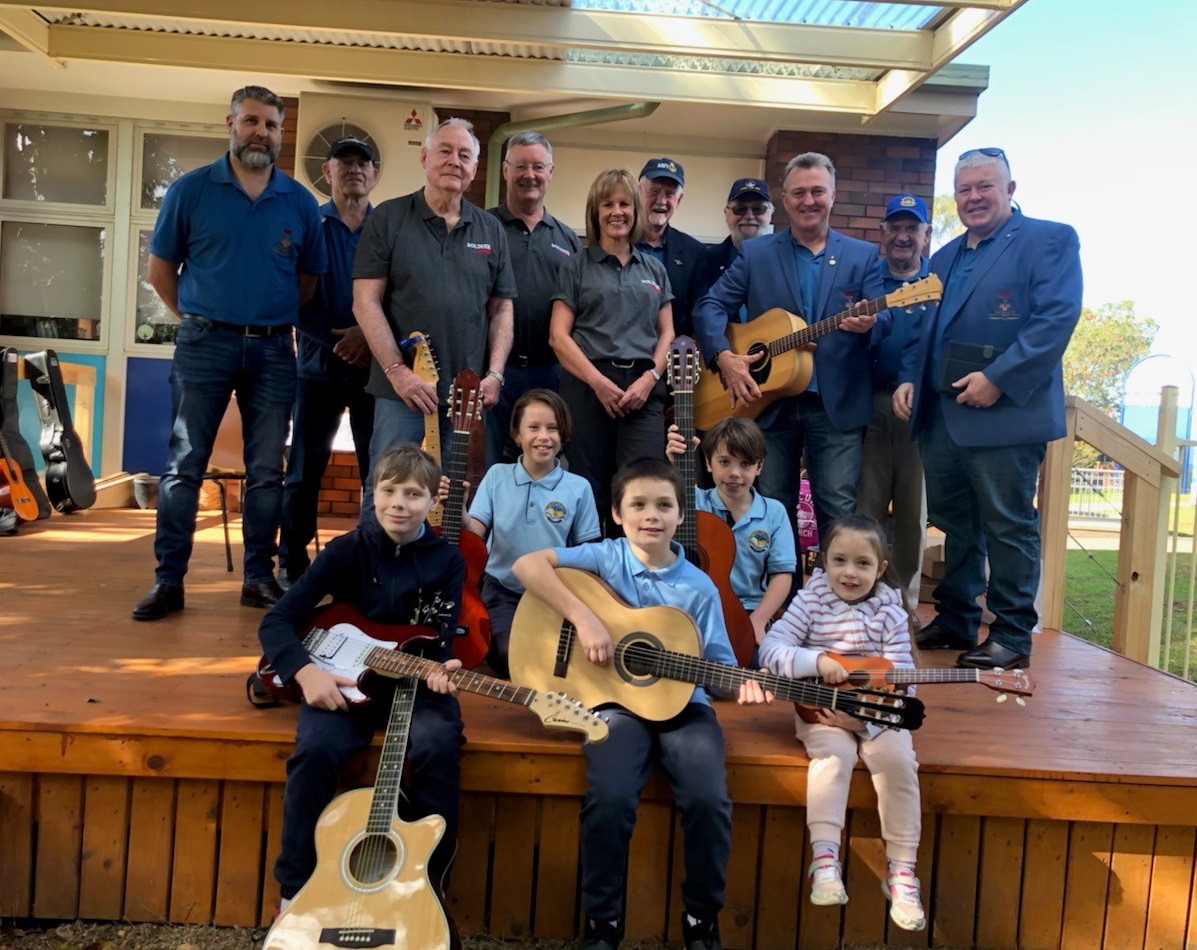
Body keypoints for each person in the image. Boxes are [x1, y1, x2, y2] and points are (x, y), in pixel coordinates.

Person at [512, 457, 742, 950]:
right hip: (612, 705)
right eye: (638, 504)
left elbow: (721, 671)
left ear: (682, 515)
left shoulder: (699, 587)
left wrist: (745, 684)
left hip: (686, 709)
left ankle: (701, 921)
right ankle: (603, 924)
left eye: (663, 505)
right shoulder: (606, 557)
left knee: (708, 800)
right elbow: (526, 566)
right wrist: (586, 619)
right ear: (617, 513)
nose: (650, 515)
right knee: (610, 798)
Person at [132, 85, 326, 621]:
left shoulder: (299, 203)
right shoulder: (191, 191)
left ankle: (258, 579)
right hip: (205, 344)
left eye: (270, 125)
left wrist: (260, 318)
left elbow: (306, 284)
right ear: (230, 124)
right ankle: (168, 581)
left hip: (272, 351)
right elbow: (159, 273)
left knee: (267, 469)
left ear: (281, 134)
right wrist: (202, 317)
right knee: (183, 465)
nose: (260, 132)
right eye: (251, 121)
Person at [894, 148, 1082, 671]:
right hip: (942, 417)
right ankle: (956, 617)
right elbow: (924, 331)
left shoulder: (1051, 240)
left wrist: (999, 379)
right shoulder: (945, 257)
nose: (974, 197)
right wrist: (912, 380)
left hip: (1004, 414)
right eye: (965, 189)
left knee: (1007, 524)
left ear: (1010, 189)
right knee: (957, 525)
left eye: (985, 186)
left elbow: (1055, 320)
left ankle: (1012, 633)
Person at [259, 444, 465, 911]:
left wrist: (443, 666)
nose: (399, 503)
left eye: (413, 494)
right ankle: (295, 888)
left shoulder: (447, 561)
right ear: (372, 493)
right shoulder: (345, 550)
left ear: (434, 502)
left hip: (413, 681)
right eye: (388, 491)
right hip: (340, 682)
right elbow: (276, 621)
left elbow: (441, 640)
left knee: (438, 745)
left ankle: (428, 886)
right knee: (315, 752)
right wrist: (306, 672)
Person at [692, 152, 886, 551]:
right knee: (771, 509)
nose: (808, 200)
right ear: (784, 199)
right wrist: (725, 358)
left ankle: (832, 606)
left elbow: (887, 320)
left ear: (833, 195)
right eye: (799, 192)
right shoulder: (758, 253)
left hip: (835, 405)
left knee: (836, 508)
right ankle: (778, 604)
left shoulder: (862, 255)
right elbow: (709, 307)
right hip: (769, 404)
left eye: (817, 191)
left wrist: (873, 323)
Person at [754, 514, 925, 932]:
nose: (850, 572)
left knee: (899, 761)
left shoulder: (890, 612)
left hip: (875, 716)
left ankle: (902, 871)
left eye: (863, 564)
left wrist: (863, 717)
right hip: (822, 712)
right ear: (822, 562)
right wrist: (817, 661)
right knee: (833, 757)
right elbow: (771, 651)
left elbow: (903, 680)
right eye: (839, 560)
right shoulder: (810, 601)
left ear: (880, 569)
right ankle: (825, 858)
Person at [353, 117, 517, 512]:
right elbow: (364, 301)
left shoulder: (491, 229)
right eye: (445, 151)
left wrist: (494, 374)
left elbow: (502, 308)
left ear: (475, 169)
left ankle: (443, 573)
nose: (454, 161)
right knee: (390, 489)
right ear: (425, 157)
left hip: (467, 394)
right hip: (401, 392)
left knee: (457, 496)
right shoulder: (389, 219)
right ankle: (374, 573)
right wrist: (397, 371)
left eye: (465, 155)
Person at [277, 136, 379, 588]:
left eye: (363, 163)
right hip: (317, 369)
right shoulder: (310, 223)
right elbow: (293, 296)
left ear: (374, 175)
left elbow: (399, 294)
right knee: (303, 471)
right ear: (327, 173)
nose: (354, 169)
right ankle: (292, 563)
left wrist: (366, 338)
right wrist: (339, 340)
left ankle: (370, 561)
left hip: (373, 371)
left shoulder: (386, 228)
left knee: (374, 472)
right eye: (344, 163)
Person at [550, 168, 674, 534]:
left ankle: (632, 578)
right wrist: (598, 382)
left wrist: (650, 379)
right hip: (588, 386)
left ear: (635, 210)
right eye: (608, 204)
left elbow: (668, 334)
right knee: (589, 488)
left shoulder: (654, 268)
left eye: (624, 203)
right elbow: (559, 336)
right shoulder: (575, 267)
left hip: (642, 389)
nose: (616, 212)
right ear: (595, 211)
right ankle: (589, 578)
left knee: (640, 487)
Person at [466, 388, 601, 677]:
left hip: (554, 591)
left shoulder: (579, 487)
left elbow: (590, 551)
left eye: (552, 428)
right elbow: (474, 533)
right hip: (502, 589)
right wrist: (456, 510)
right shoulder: (496, 476)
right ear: (517, 434)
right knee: (505, 657)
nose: (544, 437)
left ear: (563, 434)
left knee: (566, 659)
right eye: (534, 428)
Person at [485, 132, 582, 467]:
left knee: (547, 468)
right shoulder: (483, 227)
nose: (530, 175)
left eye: (538, 166)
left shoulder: (568, 239)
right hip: (495, 373)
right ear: (505, 171)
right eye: (521, 166)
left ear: (550, 172)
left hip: (551, 374)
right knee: (489, 468)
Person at [855, 194, 933, 613]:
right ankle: (864, 600)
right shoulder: (869, 280)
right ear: (882, 233)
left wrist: (914, 381)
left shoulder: (939, 282)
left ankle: (901, 607)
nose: (903, 237)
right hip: (869, 404)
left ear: (926, 234)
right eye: (896, 228)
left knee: (910, 512)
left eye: (912, 228)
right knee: (866, 505)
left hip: (918, 409)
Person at [666, 417, 795, 648]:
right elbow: (659, 508)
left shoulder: (774, 512)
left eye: (745, 464)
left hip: (749, 611)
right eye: (724, 462)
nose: (734, 473)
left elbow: (782, 574)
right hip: (693, 610)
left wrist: (758, 619)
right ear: (708, 463)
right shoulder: (692, 502)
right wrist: (674, 469)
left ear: (760, 466)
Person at [635, 158, 709, 339]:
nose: (661, 200)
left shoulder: (695, 253)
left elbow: (699, 313)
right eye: (654, 191)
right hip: (620, 357)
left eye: (669, 194)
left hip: (673, 360)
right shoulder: (618, 244)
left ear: (679, 200)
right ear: (638, 193)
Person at [702, 177, 774, 289]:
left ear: (770, 214)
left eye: (758, 209)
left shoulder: (786, 260)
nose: (749, 216)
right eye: (740, 209)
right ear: (726, 214)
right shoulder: (706, 261)